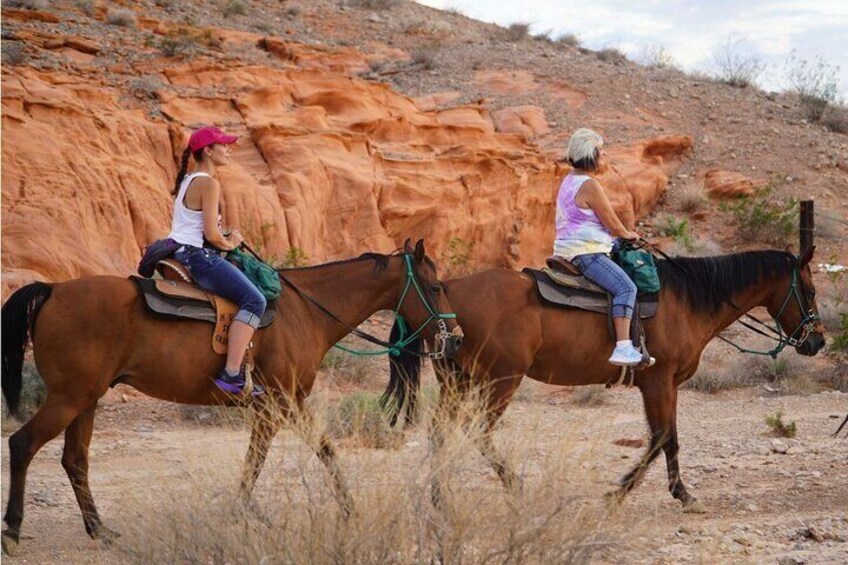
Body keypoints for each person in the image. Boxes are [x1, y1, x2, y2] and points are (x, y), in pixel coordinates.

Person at [168, 125, 266, 394]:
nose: (228, 149)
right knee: (255, 300)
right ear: (208, 151)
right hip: (198, 257)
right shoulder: (209, 183)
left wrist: (221, 238)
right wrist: (231, 242)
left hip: (182, 252)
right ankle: (231, 374)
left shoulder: (189, 179)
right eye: (223, 145)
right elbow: (210, 234)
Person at [553, 128, 643, 366]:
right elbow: (614, 225)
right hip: (587, 253)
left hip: (568, 250)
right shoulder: (590, 185)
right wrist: (628, 234)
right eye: (601, 151)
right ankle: (623, 347)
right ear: (590, 154)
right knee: (626, 288)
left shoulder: (569, 180)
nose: (604, 155)